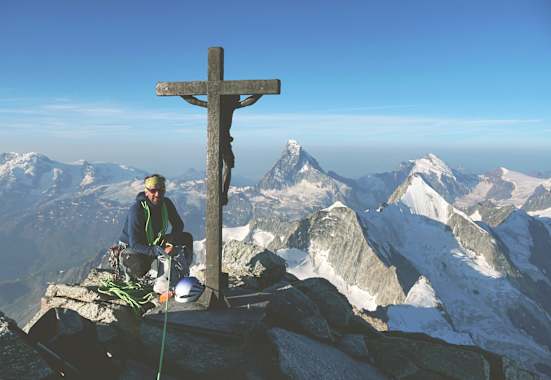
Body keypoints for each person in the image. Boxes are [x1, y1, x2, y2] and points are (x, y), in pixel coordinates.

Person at [118, 174, 193, 283]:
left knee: (186, 238)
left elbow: (178, 225)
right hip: (132, 248)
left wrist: (170, 243)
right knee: (139, 267)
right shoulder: (137, 210)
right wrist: (158, 251)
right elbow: (135, 243)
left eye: (161, 191)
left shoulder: (166, 203)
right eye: (153, 191)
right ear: (146, 192)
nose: (157, 194)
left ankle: (181, 272)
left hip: (154, 242)